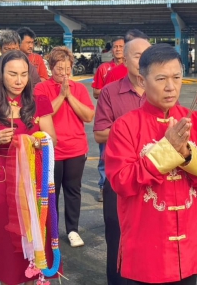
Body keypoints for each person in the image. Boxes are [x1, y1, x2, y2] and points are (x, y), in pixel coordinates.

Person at [105, 44, 197, 284]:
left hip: (186, 248)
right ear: (142, 80)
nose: (171, 87)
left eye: (177, 77)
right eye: (161, 79)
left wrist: (188, 154)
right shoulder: (125, 126)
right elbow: (122, 181)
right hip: (145, 249)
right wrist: (166, 150)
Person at [0, 50, 57, 285]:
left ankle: (31, 275)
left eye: (24, 75)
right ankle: (7, 277)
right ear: (0, 74)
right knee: (2, 235)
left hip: (32, 177)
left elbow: (51, 139)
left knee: (32, 229)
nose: (18, 81)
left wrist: (34, 141)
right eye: (12, 74)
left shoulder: (38, 103)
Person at [94, 38, 151, 285]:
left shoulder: (160, 90)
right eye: (138, 55)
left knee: (150, 239)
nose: (144, 60)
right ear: (124, 60)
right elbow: (99, 133)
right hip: (118, 178)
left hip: (152, 176)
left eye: (148, 55)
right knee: (117, 238)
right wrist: (133, 130)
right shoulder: (110, 92)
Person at [34, 46, 94, 247]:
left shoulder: (79, 89)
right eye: (59, 68)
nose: (64, 73)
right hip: (51, 150)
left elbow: (88, 116)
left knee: (73, 190)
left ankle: (73, 230)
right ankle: (51, 231)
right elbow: (44, 114)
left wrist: (69, 96)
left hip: (76, 149)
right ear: (51, 68)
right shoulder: (41, 88)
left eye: (68, 68)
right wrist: (61, 95)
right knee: (51, 192)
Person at [92, 37, 125, 202]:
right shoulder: (104, 68)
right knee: (105, 155)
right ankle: (103, 186)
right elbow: (96, 92)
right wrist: (110, 90)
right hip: (108, 118)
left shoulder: (133, 68)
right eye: (115, 47)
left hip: (125, 117)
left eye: (121, 46)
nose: (118, 49)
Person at [0, 29, 42, 97]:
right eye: (7, 49)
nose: (11, 53)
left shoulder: (29, 67)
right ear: (0, 49)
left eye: (15, 49)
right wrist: (9, 91)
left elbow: (38, 90)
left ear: (19, 48)